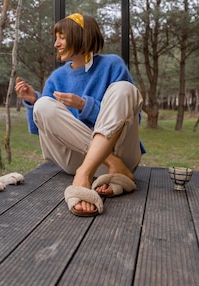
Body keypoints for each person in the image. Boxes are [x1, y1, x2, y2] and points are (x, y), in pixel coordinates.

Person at [15, 12, 144, 217]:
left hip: (122, 152)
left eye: (62, 37)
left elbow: (132, 119)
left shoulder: (112, 65)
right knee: (43, 105)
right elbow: (39, 129)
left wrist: (85, 106)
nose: (56, 44)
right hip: (74, 159)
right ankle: (113, 169)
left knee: (124, 89)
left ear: (81, 36)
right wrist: (33, 101)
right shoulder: (57, 78)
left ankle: (86, 175)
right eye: (55, 38)